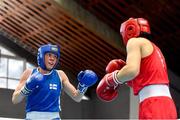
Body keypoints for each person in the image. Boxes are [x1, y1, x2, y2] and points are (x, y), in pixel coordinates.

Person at [96, 18, 177, 119]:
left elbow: (131, 71)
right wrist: (125, 79)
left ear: (129, 30)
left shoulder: (134, 42)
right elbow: (148, 81)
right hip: (168, 105)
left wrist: (111, 79)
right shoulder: (156, 49)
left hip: (153, 104)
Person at [12, 44, 98, 120]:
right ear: (41, 56)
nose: (52, 59)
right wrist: (27, 88)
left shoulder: (60, 74)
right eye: (49, 55)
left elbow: (77, 97)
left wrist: (83, 85)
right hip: (31, 117)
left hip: (53, 117)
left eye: (55, 56)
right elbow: (15, 99)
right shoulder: (29, 73)